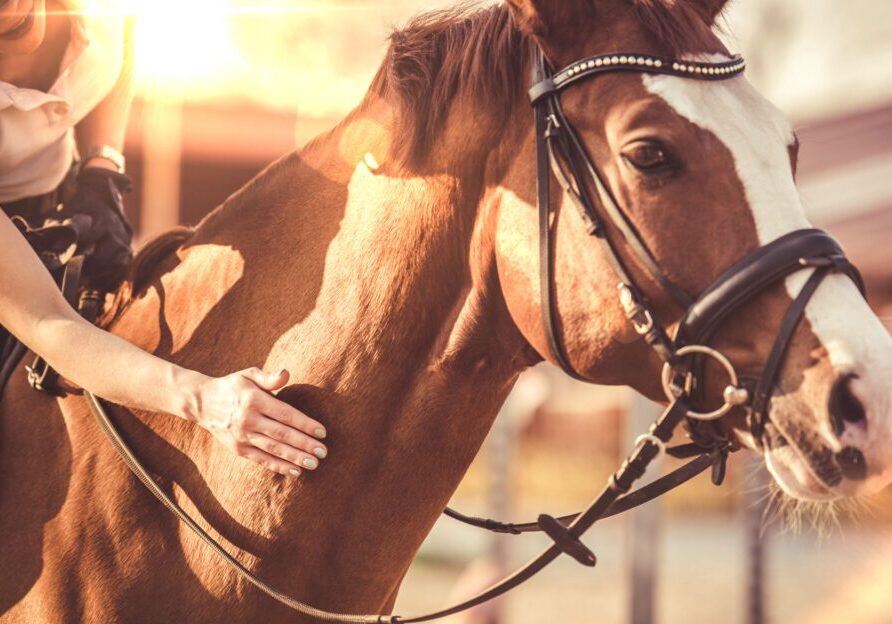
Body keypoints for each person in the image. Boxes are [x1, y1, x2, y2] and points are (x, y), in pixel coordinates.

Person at [0, 0, 327, 478]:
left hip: (60, 191)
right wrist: (206, 401)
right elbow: (49, 322)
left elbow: (125, 29)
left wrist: (101, 168)